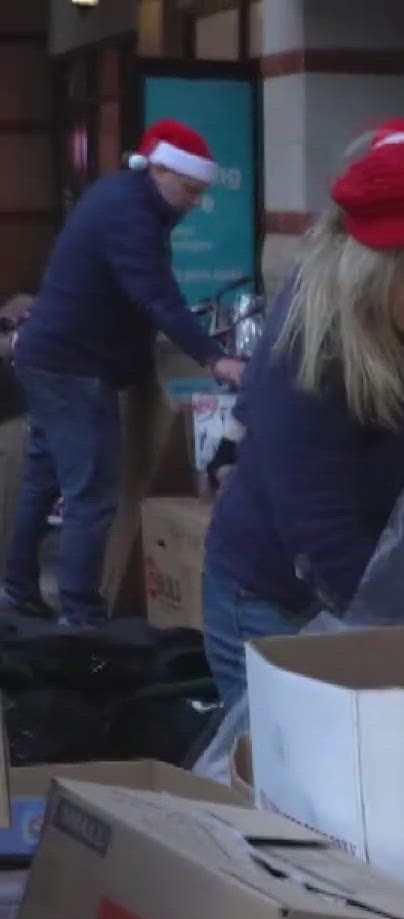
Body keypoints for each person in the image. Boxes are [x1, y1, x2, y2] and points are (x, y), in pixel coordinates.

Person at [201, 122, 404, 712]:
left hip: (366, 583)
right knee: (284, 783)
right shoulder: (313, 346)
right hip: (277, 599)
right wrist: (395, 639)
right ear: (368, 268)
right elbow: (316, 521)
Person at [3, 120, 246, 625]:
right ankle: (81, 615)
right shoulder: (130, 214)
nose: (193, 202)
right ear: (159, 168)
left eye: (200, 193)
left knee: (44, 479)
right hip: (73, 368)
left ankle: (18, 586)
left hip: (53, 359)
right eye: (189, 188)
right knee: (90, 495)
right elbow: (155, 296)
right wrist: (214, 358)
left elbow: (133, 299)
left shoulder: (125, 198)